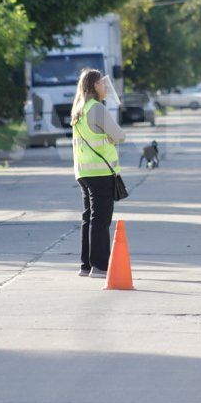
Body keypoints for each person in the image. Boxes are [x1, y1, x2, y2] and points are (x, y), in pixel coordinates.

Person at [71, 68, 127, 278]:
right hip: (101, 172)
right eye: (103, 83)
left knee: (88, 218)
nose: (105, 87)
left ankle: (86, 265)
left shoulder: (79, 109)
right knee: (101, 219)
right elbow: (119, 135)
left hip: (84, 172)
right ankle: (101, 266)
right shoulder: (98, 109)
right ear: (95, 86)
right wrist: (113, 137)